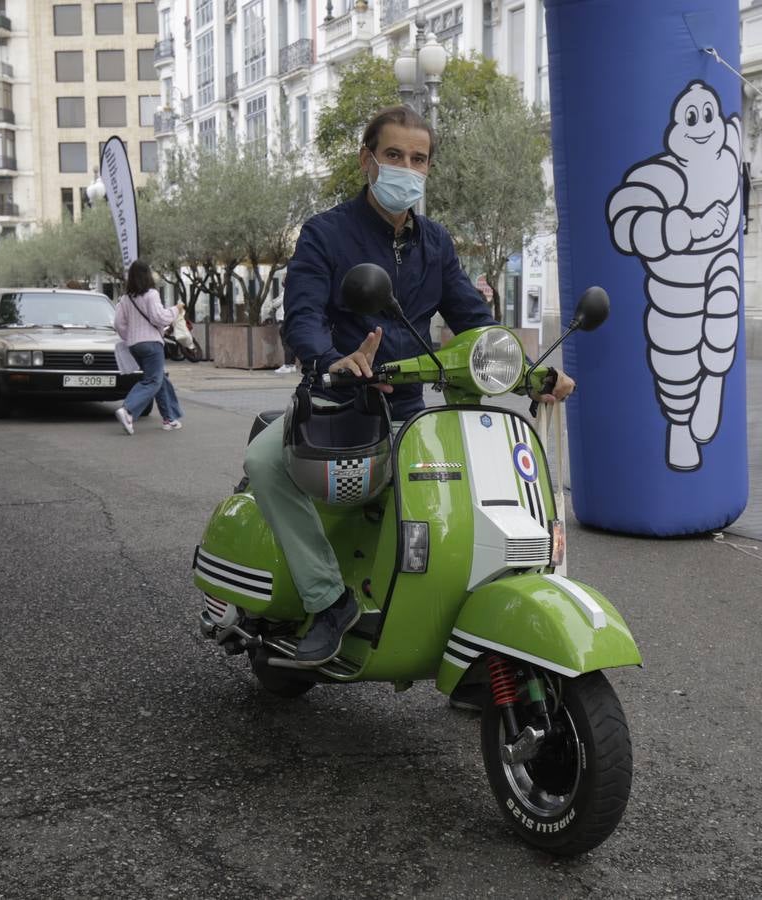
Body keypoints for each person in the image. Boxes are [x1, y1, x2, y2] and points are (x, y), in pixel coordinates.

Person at [243, 106, 575, 666]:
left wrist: (532, 372)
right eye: (393, 155)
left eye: (418, 159)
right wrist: (332, 359)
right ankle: (328, 601)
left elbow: (475, 321)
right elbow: (300, 316)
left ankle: (479, 639)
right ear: (367, 160)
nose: (406, 168)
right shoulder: (326, 235)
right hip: (345, 407)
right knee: (265, 462)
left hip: (419, 412)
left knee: (467, 505)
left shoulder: (436, 244)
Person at [113, 259, 183, 434]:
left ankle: (169, 419)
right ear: (147, 275)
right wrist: (176, 309)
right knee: (153, 381)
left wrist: (131, 338)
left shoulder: (125, 298)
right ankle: (128, 410)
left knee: (160, 380)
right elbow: (159, 317)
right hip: (152, 344)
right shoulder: (151, 294)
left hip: (134, 346)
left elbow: (118, 323)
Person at [261, 285, 297, 375]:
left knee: (286, 343)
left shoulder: (286, 292)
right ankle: (292, 365)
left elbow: (276, 303)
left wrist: (272, 304)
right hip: (291, 320)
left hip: (284, 320)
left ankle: (287, 365)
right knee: (291, 343)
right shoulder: (295, 290)